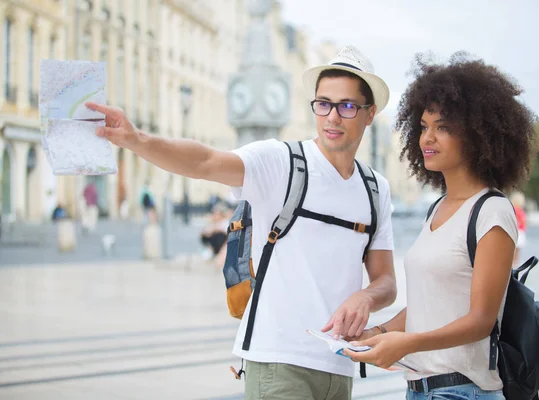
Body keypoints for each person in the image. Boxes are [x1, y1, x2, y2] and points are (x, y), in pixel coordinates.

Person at [85, 45, 398, 399]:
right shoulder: (281, 162)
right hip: (279, 363)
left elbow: (386, 281)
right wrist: (136, 139)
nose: (332, 117)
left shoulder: (375, 189)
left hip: (339, 367)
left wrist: (365, 298)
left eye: (347, 106)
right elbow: (204, 161)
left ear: (369, 114)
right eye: (323, 103)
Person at [345, 54, 537, 400]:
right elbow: (427, 306)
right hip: (420, 390)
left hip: (462, 391)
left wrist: (408, 344)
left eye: (443, 127)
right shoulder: (436, 210)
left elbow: (481, 320)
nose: (427, 138)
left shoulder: (492, 211)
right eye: (423, 126)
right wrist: (377, 333)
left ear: (479, 134)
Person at [510, 191, 527, 266]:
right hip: (519, 231)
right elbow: (523, 222)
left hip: (512, 231)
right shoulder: (520, 211)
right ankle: (515, 262)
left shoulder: (512, 209)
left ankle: (513, 262)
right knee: (517, 250)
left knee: (512, 249)